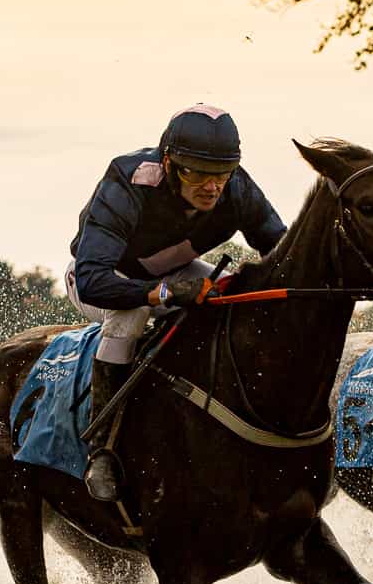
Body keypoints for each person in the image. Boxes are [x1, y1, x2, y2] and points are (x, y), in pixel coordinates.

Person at [67, 104, 286, 502]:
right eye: (196, 174)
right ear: (167, 163)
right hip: (105, 279)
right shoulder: (127, 178)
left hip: (176, 273)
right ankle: (103, 448)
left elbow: (284, 256)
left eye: (221, 175)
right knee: (132, 314)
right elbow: (92, 280)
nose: (211, 187)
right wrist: (163, 294)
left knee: (235, 297)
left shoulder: (237, 187)